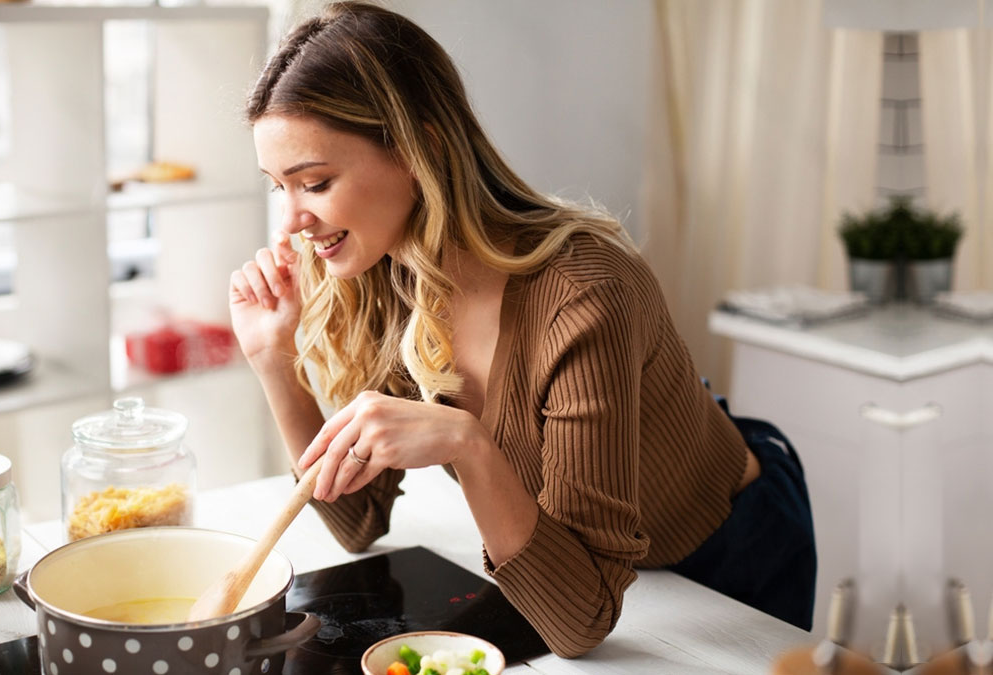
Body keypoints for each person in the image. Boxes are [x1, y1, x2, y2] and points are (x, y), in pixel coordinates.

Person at [228, 1, 815, 657]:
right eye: (278, 187)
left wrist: (469, 444)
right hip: (594, 570)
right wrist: (273, 357)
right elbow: (356, 520)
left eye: (313, 183)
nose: (290, 223)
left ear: (422, 150)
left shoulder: (585, 293)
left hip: (728, 549)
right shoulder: (386, 274)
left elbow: (580, 622)